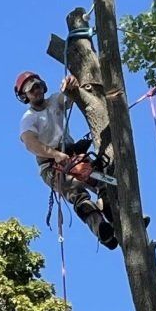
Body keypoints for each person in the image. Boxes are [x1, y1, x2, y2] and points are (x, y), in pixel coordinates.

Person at [13, 69, 118, 247]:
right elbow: (31, 143)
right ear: (25, 96)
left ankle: (118, 215)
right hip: (52, 165)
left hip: (72, 156)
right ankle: (102, 230)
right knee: (77, 193)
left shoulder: (55, 100)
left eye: (38, 86)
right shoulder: (28, 119)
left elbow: (71, 94)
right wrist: (55, 154)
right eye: (31, 90)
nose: (36, 91)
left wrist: (71, 83)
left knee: (103, 180)